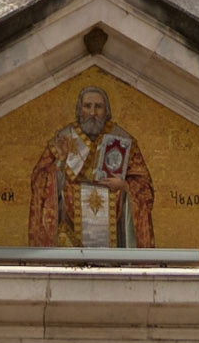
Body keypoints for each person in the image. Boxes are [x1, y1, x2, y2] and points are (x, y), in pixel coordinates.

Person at [26, 84, 155, 247]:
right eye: (87, 106)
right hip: (71, 232)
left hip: (115, 227)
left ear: (107, 111)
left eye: (98, 107)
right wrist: (60, 162)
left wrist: (125, 186)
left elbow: (145, 188)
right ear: (79, 109)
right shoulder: (63, 139)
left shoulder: (123, 139)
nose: (93, 112)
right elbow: (40, 183)